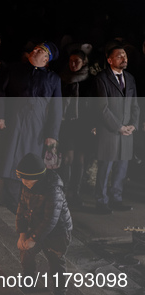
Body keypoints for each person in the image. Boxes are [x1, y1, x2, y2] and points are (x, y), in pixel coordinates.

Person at [0, 41, 62, 213]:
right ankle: (10, 202)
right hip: (14, 120)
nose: (34, 51)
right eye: (35, 48)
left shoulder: (53, 79)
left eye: (40, 50)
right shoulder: (13, 69)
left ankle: (27, 205)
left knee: (30, 162)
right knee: (10, 158)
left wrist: (52, 134)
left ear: (47, 58)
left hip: (37, 126)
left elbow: (56, 108)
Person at [15, 153, 73, 295]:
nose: (24, 182)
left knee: (56, 262)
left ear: (38, 176)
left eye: (27, 178)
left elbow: (51, 220)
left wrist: (33, 238)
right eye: (22, 178)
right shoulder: (27, 185)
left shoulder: (53, 189)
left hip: (58, 232)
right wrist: (22, 234)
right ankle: (28, 283)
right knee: (25, 252)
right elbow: (21, 209)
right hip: (36, 227)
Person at [93, 44, 140, 214]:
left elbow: (135, 104)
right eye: (119, 56)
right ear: (109, 59)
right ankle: (101, 201)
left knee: (122, 166)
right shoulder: (102, 79)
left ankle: (116, 198)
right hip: (110, 130)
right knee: (106, 166)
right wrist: (118, 127)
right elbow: (102, 107)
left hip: (127, 130)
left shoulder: (130, 78)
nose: (124, 59)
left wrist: (133, 125)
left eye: (125, 56)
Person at [58, 49, 95, 207]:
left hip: (83, 124)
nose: (73, 64)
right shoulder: (63, 78)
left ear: (84, 62)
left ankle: (75, 193)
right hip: (67, 123)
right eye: (71, 60)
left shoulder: (90, 80)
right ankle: (63, 192)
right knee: (67, 159)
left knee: (80, 160)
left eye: (77, 61)